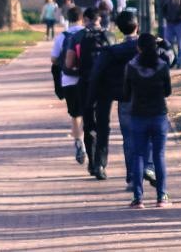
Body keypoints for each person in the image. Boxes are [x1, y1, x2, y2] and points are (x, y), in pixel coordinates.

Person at [86, 11, 141, 181]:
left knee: (127, 137)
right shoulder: (146, 46)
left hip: (118, 94)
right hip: (144, 95)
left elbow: (96, 73)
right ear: (137, 26)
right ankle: (147, 168)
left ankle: (131, 174)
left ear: (118, 28)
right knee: (147, 135)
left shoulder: (112, 51)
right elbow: (170, 58)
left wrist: (89, 99)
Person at [123, 31, 173, 208]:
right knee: (159, 156)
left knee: (138, 156)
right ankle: (162, 197)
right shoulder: (162, 66)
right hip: (159, 114)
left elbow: (126, 93)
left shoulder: (131, 66)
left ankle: (138, 198)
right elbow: (168, 91)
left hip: (138, 115)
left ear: (139, 48)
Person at [50, 7, 94, 164]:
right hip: (88, 79)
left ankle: (79, 142)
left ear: (68, 18)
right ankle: (91, 143)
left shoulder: (62, 36)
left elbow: (54, 59)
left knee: (75, 114)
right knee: (89, 113)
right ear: (83, 18)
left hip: (69, 80)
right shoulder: (89, 34)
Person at [74, 12, 113, 178]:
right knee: (103, 124)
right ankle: (100, 164)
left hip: (85, 83)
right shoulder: (110, 36)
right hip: (105, 85)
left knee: (89, 124)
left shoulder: (78, 36)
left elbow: (69, 62)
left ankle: (91, 162)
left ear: (86, 19)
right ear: (100, 20)